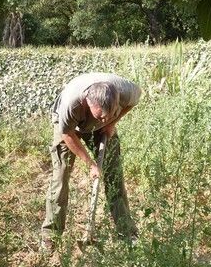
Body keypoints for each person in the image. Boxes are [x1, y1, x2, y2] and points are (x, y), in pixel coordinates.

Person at [40, 72, 141, 253]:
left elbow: (134, 101)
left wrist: (111, 123)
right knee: (60, 177)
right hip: (69, 128)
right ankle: (51, 235)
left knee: (114, 175)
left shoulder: (125, 91)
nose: (104, 119)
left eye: (109, 115)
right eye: (101, 116)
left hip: (102, 127)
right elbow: (67, 134)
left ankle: (127, 233)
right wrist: (91, 164)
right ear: (89, 102)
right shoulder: (72, 103)